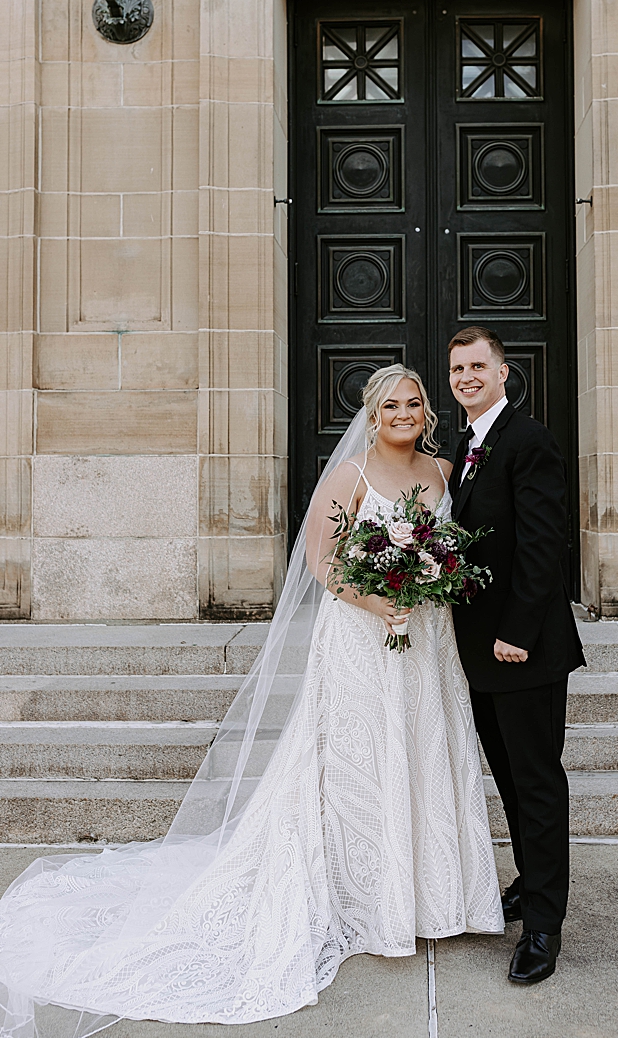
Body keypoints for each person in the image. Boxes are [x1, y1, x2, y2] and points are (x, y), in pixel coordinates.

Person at [0, 365, 500, 1035]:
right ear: (372, 414)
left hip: (427, 645)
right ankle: (367, 898)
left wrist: (432, 582)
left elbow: (449, 549)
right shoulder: (348, 476)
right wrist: (379, 599)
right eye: (391, 405)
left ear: (426, 413)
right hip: (360, 638)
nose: (403, 413)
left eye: (413, 403)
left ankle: (430, 898)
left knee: (424, 750)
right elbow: (323, 563)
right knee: (360, 762)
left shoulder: (441, 473)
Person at [445, 326, 586, 985]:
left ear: (504, 374)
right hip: (477, 653)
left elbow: (542, 545)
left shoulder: (528, 441)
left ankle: (544, 929)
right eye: (457, 369)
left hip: (521, 650)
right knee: (509, 780)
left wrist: (520, 633)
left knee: (536, 784)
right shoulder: (468, 443)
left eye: (477, 366)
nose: (466, 377)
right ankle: (532, 883)